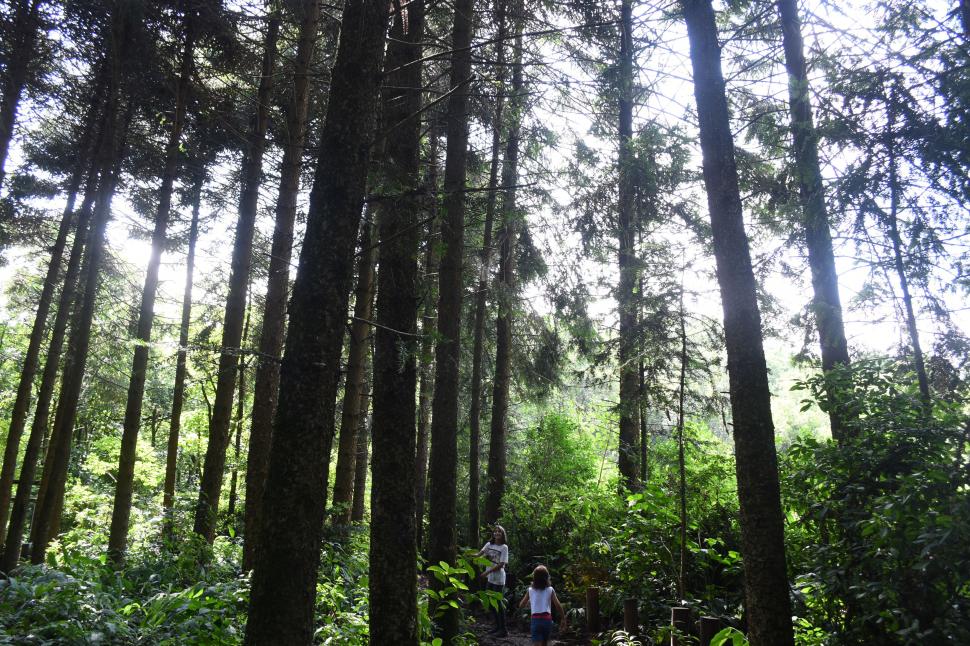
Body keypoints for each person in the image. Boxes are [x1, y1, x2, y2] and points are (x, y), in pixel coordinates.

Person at [518, 565, 566, 646]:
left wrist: (528, 603)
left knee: (537, 643)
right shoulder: (550, 590)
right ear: (547, 577)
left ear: (534, 578)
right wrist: (563, 618)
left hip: (535, 620)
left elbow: (521, 605)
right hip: (547, 620)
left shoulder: (530, 590)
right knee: (544, 643)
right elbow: (558, 605)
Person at [476, 525, 509, 636]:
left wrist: (487, 572)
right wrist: (468, 555)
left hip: (499, 579)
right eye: (495, 531)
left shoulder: (504, 547)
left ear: (502, 534)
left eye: (499, 532)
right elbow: (479, 554)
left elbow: (501, 564)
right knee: (490, 603)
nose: (496, 533)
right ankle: (496, 626)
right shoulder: (489, 544)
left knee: (497, 603)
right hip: (490, 578)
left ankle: (503, 629)